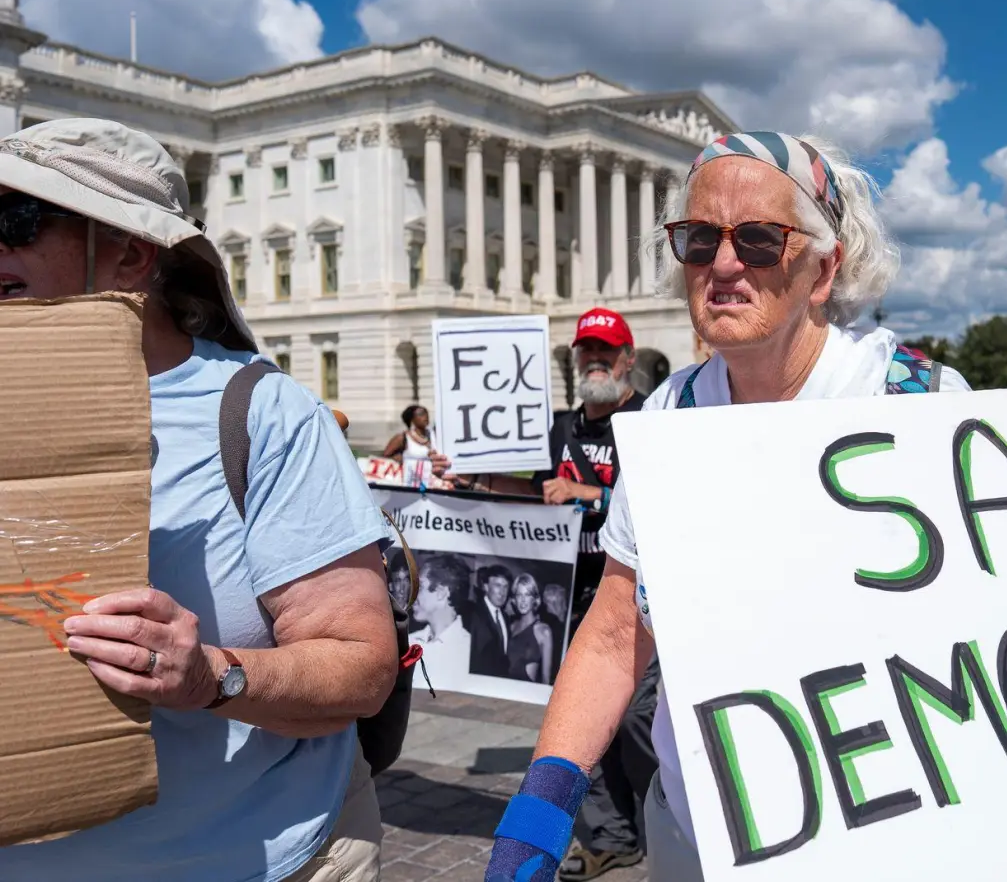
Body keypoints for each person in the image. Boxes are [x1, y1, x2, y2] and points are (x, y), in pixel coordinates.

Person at [482, 130, 1007, 882]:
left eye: (760, 241)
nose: (724, 265)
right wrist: (542, 803)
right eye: (700, 240)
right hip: (693, 839)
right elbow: (613, 631)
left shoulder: (912, 402)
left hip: (880, 849)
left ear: (824, 270)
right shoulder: (668, 413)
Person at [0, 119, 396, 882]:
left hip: (256, 858)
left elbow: (360, 667)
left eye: (14, 220)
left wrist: (207, 675)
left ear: (131, 251)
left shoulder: (260, 415)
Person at [445, 307, 656, 879]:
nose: (595, 361)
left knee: (639, 718)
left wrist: (587, 493)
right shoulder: (558, 429)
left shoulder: (650, 420)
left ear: (628, 360)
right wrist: (471, 481)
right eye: (585, 351)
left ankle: (667, 815)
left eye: (606, 352)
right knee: (584, 721)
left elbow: (664, 501)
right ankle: (613, 834)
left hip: (634, 600)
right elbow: (528, 490)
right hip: (568, 598)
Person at [506, 575, 555, 685]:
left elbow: (546, 679)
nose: (523, 600)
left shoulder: (544, 631)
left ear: (535, 599)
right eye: (519, 594)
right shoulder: (511, 626)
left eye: (527, 594)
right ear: (514, 599)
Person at [384, 405, 436, 484]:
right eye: (421, 414)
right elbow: (385, 456)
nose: (426, 416)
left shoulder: (434, 435)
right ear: (412, 419)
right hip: (410, 482)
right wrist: (398, 459)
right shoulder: (403, 438)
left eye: (426, 413)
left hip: (433, 482)